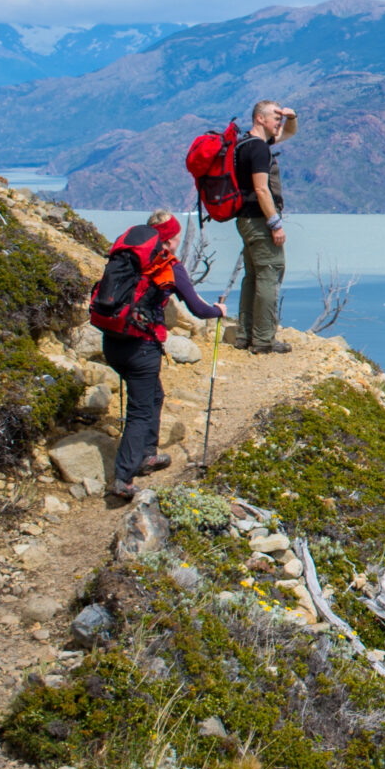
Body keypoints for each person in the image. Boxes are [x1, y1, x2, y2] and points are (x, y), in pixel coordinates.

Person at [91, 209, 226, 503]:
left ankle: (148, 455)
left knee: (154, 396)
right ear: (170, 239)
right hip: (141, 347)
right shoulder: (168, 266)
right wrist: (219, 311)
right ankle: (124, 478)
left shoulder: (124, 259)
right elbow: (198, 309)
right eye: (175, 236)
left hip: (113, 341)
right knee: (140, 411)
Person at [233, 98, 293, 353]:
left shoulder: (244, 144)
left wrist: (292, 117)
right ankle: (264, 340)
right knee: (270, 273)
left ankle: (245, 335)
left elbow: (289, 132)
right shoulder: (258, 149)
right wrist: (275, 224)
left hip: (245, 219)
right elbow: (261, 189)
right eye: (275, 116)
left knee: (253, 276)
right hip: (259, 221)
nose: (279, 121)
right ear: (260, 118)